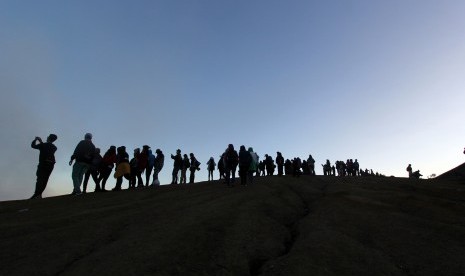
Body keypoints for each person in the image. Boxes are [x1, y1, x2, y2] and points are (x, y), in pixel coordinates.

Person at [30, 134, 58, 199]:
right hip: (51, 164)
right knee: (45, 179)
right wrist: (41, 142)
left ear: (48, 138)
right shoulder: (54, 147)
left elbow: (33, 146)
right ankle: (39, 195)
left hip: (43, 164)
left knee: (40, 179)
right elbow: (46, 147)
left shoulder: (43, 145)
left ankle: (36, 195)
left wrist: (36, 140)